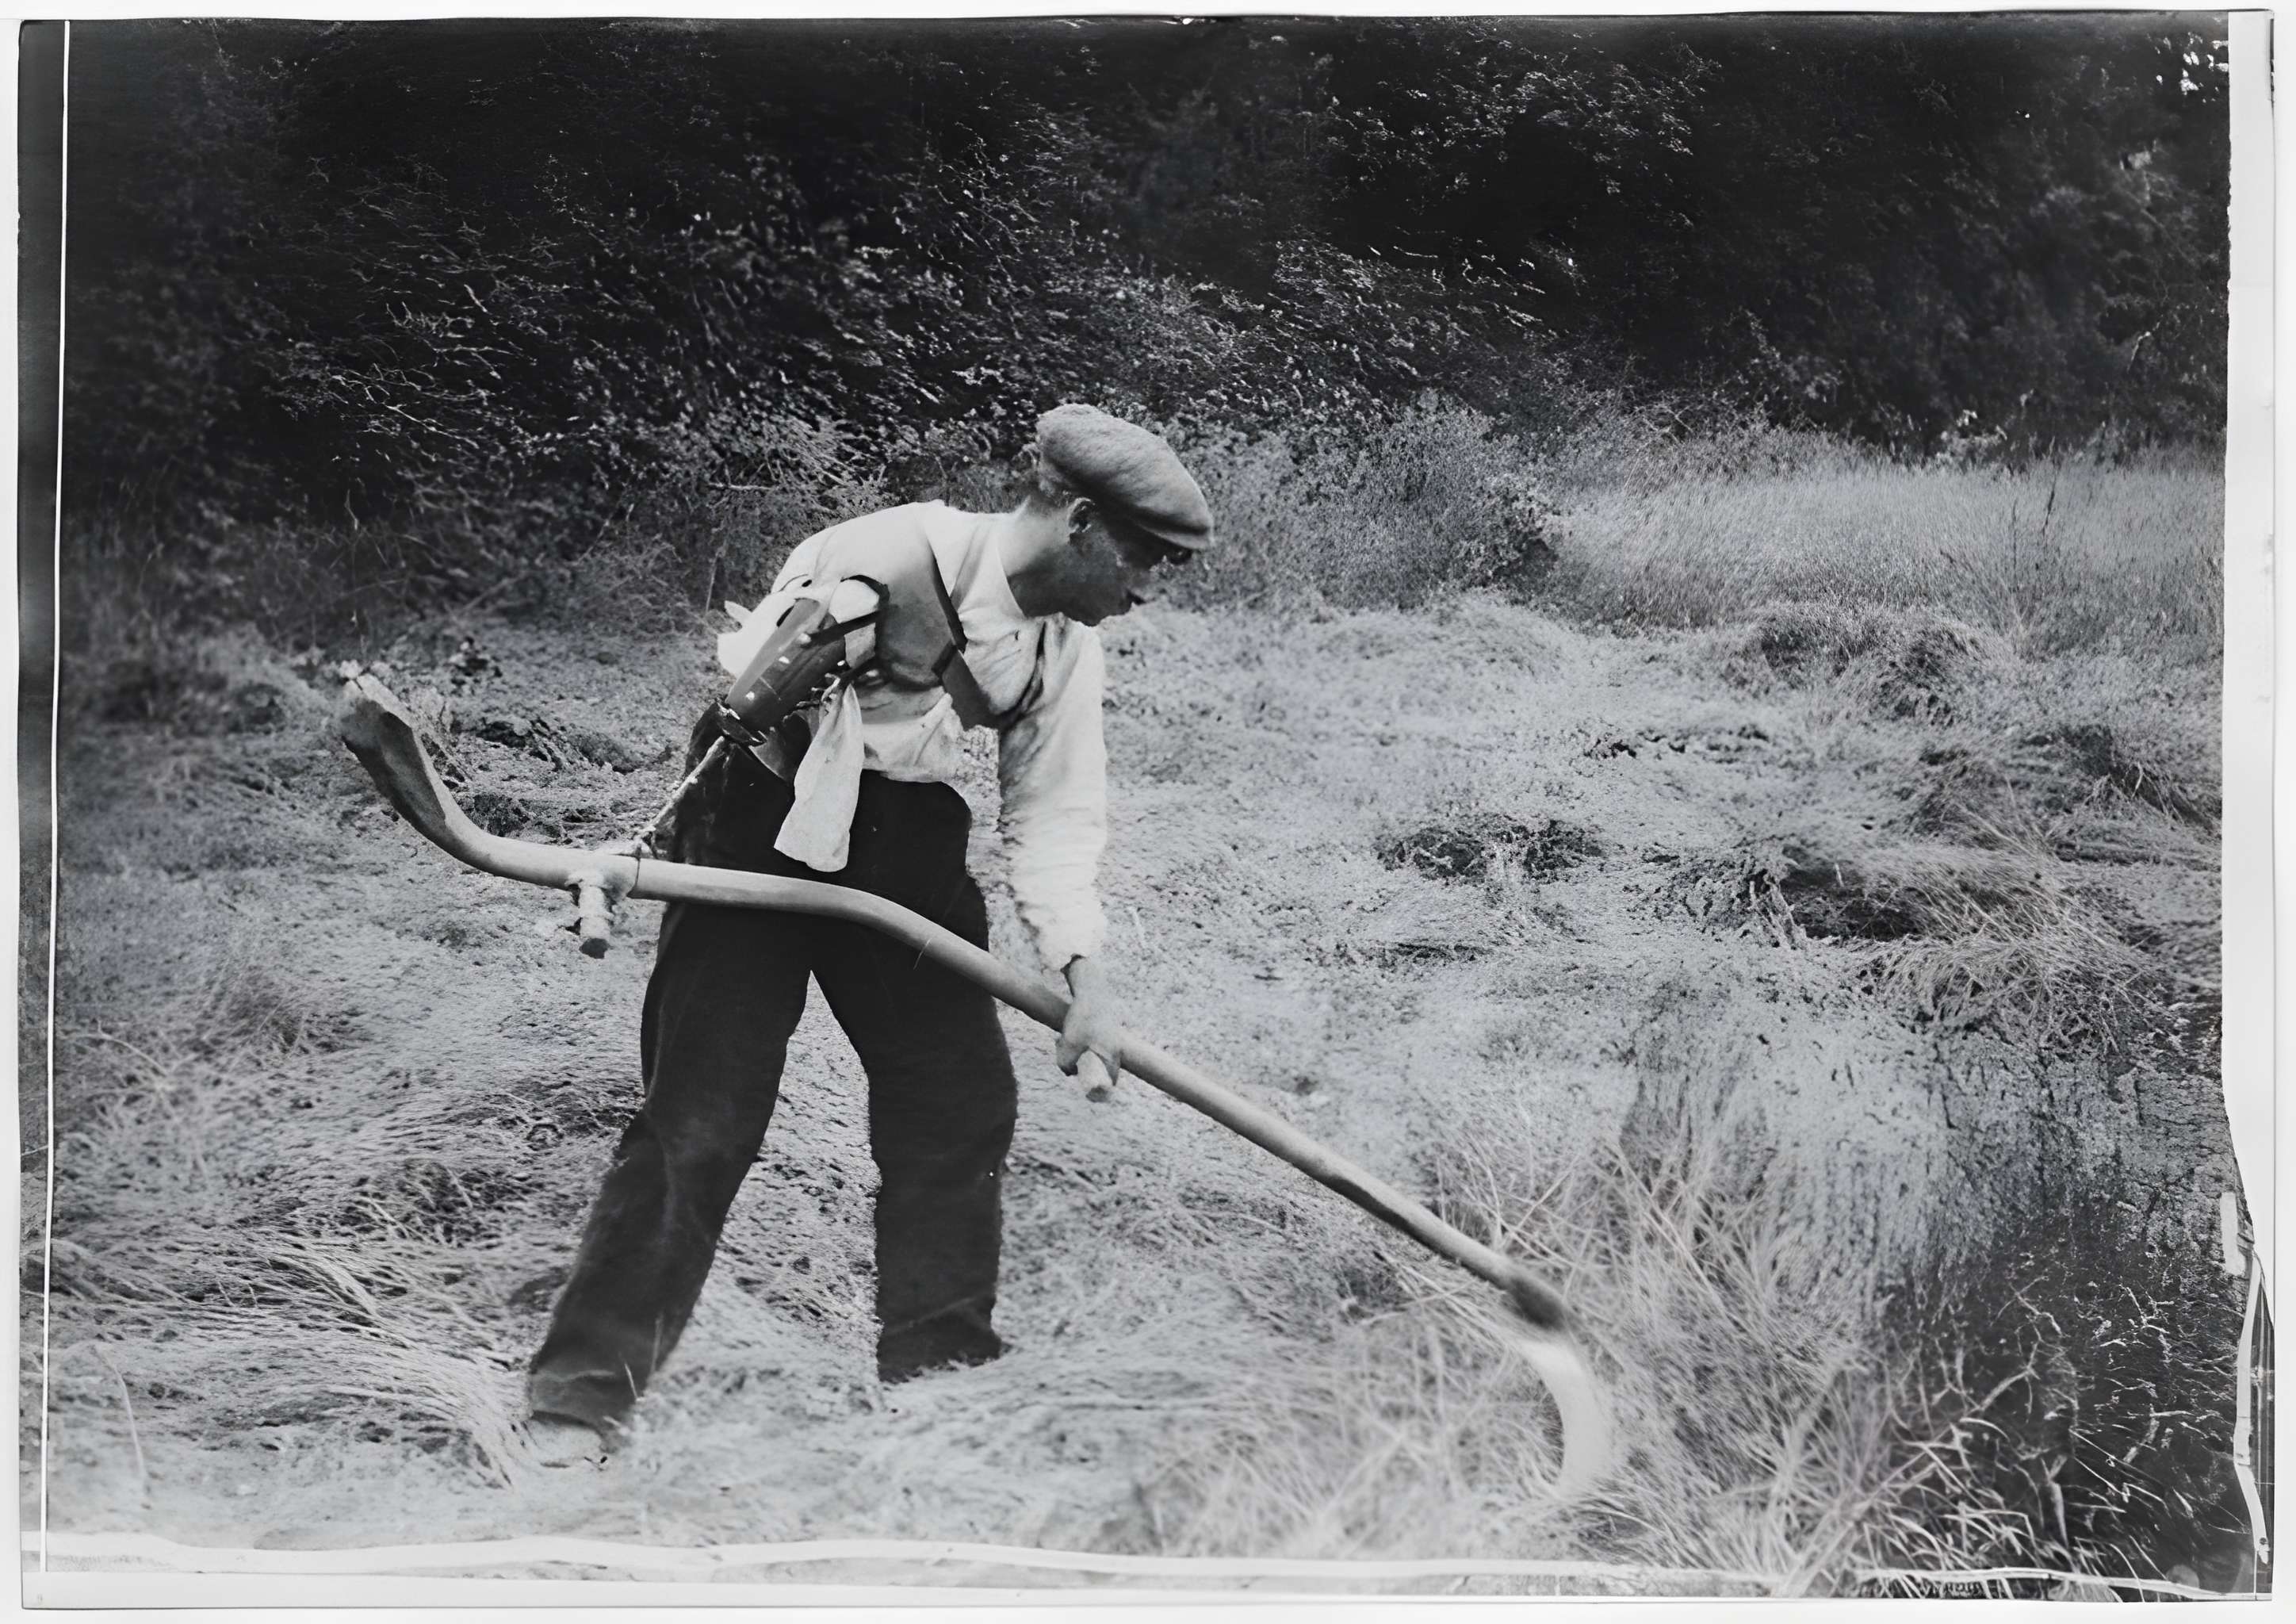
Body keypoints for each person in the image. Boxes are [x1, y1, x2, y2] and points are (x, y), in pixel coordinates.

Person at [524, 404, 1214, 1464]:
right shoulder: (883, 555)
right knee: (702, 1117)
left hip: (901, 848)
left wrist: (1085, 980)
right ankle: (577, 1407)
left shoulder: (1063, 653)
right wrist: (824, 662)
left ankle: (938, 1397)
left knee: (960, 1106)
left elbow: (1054, 817)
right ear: (1080, 520)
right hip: (762, 814)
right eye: (1143, 558)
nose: (1147, 590)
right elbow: (751, 689)